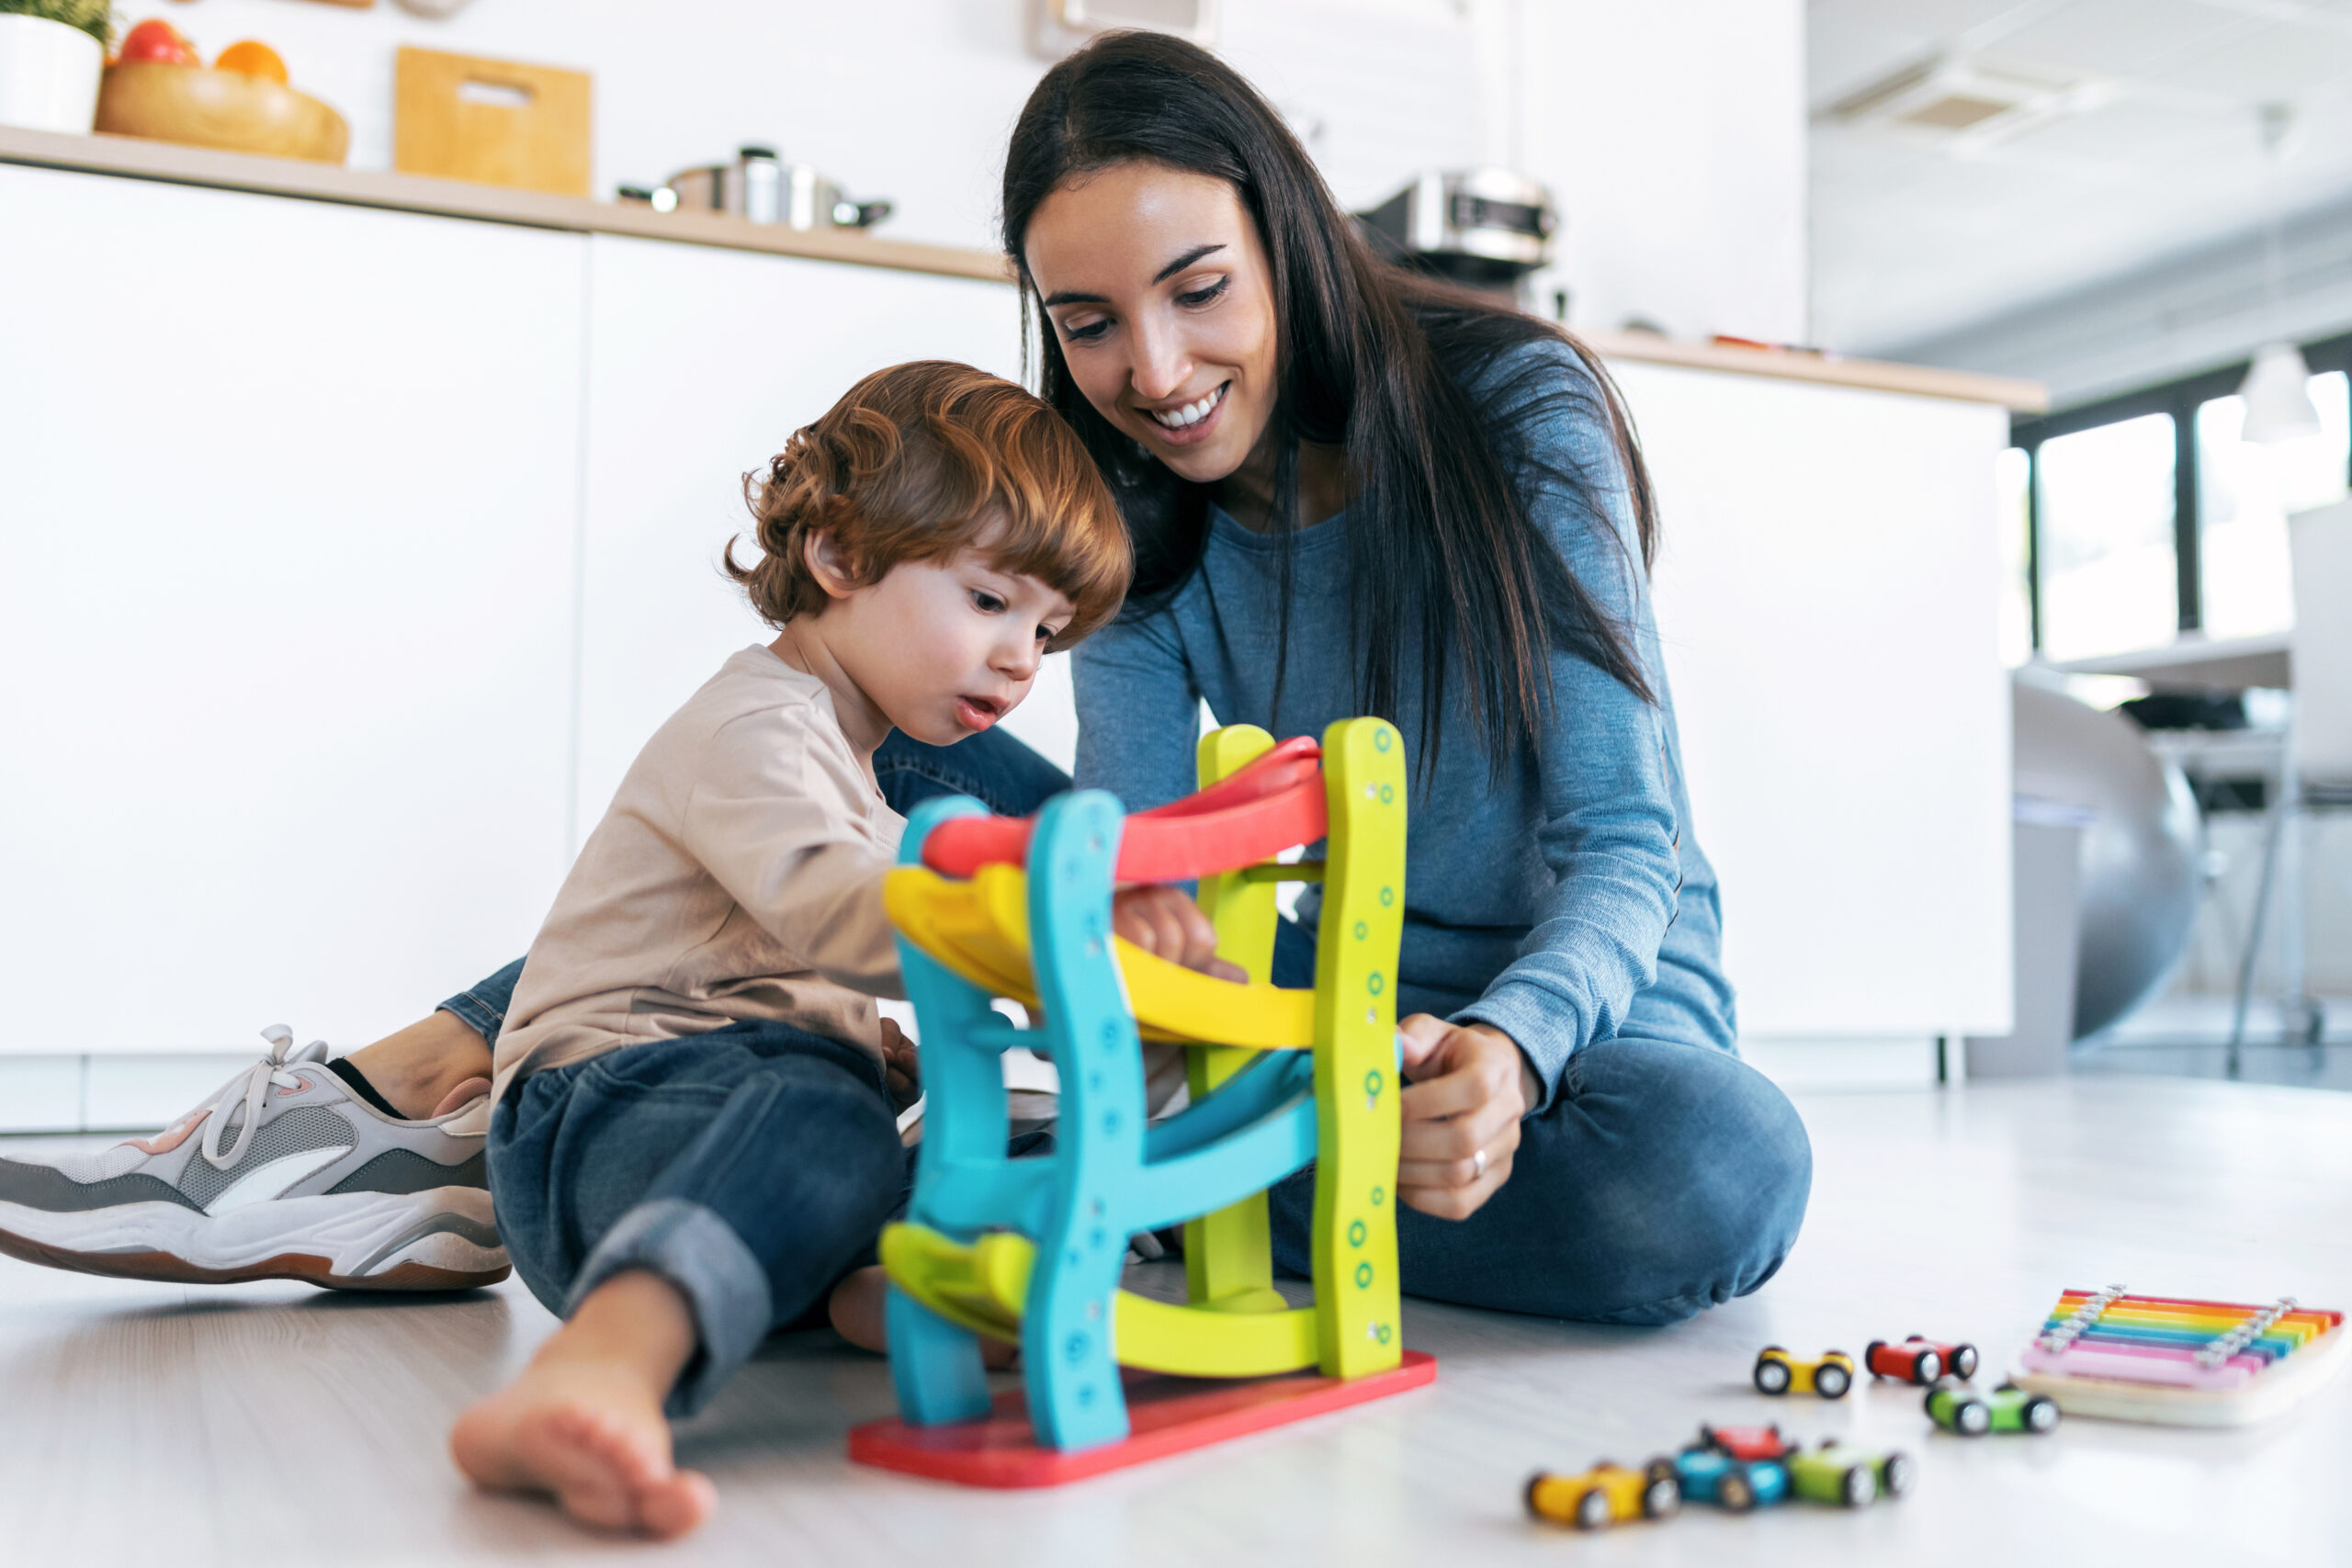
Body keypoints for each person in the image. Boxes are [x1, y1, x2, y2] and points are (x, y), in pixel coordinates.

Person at [4, 23, 1809, 1489]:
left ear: (1287, 238)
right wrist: (1150, 985)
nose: (1153, 372)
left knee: (1714, 1178)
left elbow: (1625, 846)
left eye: (1196, 289)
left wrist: (1498, 1043)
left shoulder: (1506, 405)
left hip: (1563, 1047)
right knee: (900, 753)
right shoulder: (1135, 502)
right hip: (1268, 1036)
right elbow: (1120, 838)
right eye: (1086, 323)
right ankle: (414, 1095)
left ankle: (970, 1158)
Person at [444, 360, 1259, 1536]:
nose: (1023, 658)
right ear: (836, 554)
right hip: (597, 1119)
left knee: (971, 1141)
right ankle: (602, 1371)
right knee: (823, 1124)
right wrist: (1053, 933)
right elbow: (843, 909)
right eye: (990, 602)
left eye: (1045, 630)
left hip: (719, 1112)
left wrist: (1153, 1015)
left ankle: (885, 1294)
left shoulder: (859, 773)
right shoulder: (752, 728)